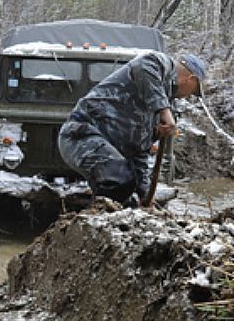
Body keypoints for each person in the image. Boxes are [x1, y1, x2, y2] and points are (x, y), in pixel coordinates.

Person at [58, 51, 205, 206]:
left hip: (103, 149)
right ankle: (100, 220)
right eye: (193, 92)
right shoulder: (161, 64)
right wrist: (164, 110)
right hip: (81, 136)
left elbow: (139, 153)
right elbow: (144, 65)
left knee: (129, 193)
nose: (188, 96)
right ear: (191, 79)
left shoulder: (158, 104)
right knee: (119, 178)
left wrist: (145, 194)